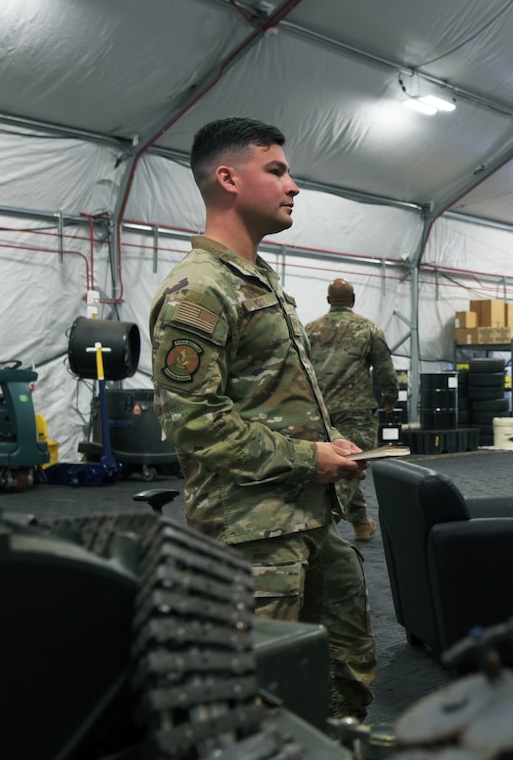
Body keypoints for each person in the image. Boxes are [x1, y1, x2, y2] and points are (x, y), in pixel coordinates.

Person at [148, 116, 376, 721]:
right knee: (258, 694)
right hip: (250, 535)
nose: (293, 185)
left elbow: (266, 397)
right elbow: (193, 421)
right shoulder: (199, 291)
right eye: (276, 170)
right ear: (227, 178)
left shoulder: (259, 281)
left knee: (340, 669)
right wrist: (309, 458)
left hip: (304, 518)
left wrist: (327, 442)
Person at [306, 279, 397, 542]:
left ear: (327, 300)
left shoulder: (309, 330)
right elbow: (385, 371)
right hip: (355, 411)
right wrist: (390, 398)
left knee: (344, 467)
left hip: (320, 412)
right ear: (353, 299)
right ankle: (318, 533)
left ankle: (361, 524)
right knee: (349, 469)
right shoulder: (368, 328)